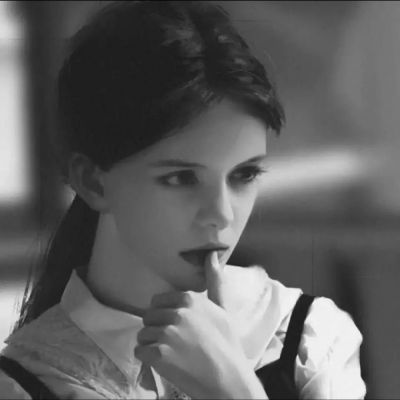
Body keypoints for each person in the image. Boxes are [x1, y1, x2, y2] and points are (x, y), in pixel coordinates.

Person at [0, 1, 366, 399]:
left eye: (244, 175)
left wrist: (233, 388)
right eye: (180, 178)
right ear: (93, 182)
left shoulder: (304, 335)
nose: (220, 214)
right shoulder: (25, 383)